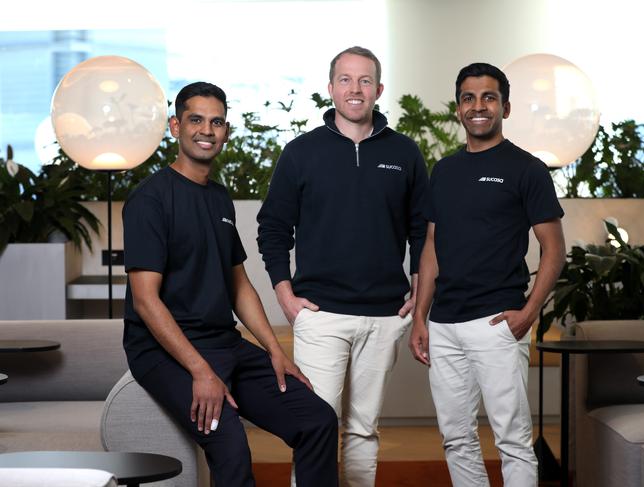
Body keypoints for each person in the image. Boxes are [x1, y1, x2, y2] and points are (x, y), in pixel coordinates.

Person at [122, 82, 338, 487]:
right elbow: (146, 301)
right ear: (175, 126)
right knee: (232, 448)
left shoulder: (219, 198)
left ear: (226, 131)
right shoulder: (150, 200)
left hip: (222, 342)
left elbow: (239, 285)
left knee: (317, 420)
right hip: (163, 352)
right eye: (196, 120)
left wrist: (276, 351)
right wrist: (201, 371)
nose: (207, 130)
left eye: (217, 122)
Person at [257, 46, 428, 486]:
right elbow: (273, 228)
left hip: (386, 315)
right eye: (346, 80)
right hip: (320, 314)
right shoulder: (300, 153)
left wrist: (416, 290)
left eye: (365, 80)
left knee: (364, 430)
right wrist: (285, 295)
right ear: (331, 88)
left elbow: (422, 230)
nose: (355, 89)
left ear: (379, 90)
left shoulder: (405, 154)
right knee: (316, 430)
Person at [409, 62, 566, 487]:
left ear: (505, 107)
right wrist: (421, 316)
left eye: (488, 98)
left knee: (512, 441)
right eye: (468, 98)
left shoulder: (526, 169)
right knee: (456, 439)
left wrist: (529, 311)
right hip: (444, 325)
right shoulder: (443, 171)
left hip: (498, 323)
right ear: (459, 109)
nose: (478, 106)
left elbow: (555, 249)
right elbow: (431, 247)